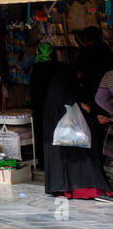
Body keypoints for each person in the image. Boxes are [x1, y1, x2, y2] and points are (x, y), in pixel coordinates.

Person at [42, 66, 113, 200]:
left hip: (61, 135)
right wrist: (89, 114)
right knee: (85, 156)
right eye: (78, 75)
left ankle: (63, 188)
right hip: (72, 136)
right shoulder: (70, 98)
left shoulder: (55, 97)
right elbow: (78, 115)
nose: (79, 79)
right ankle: (91, 188)